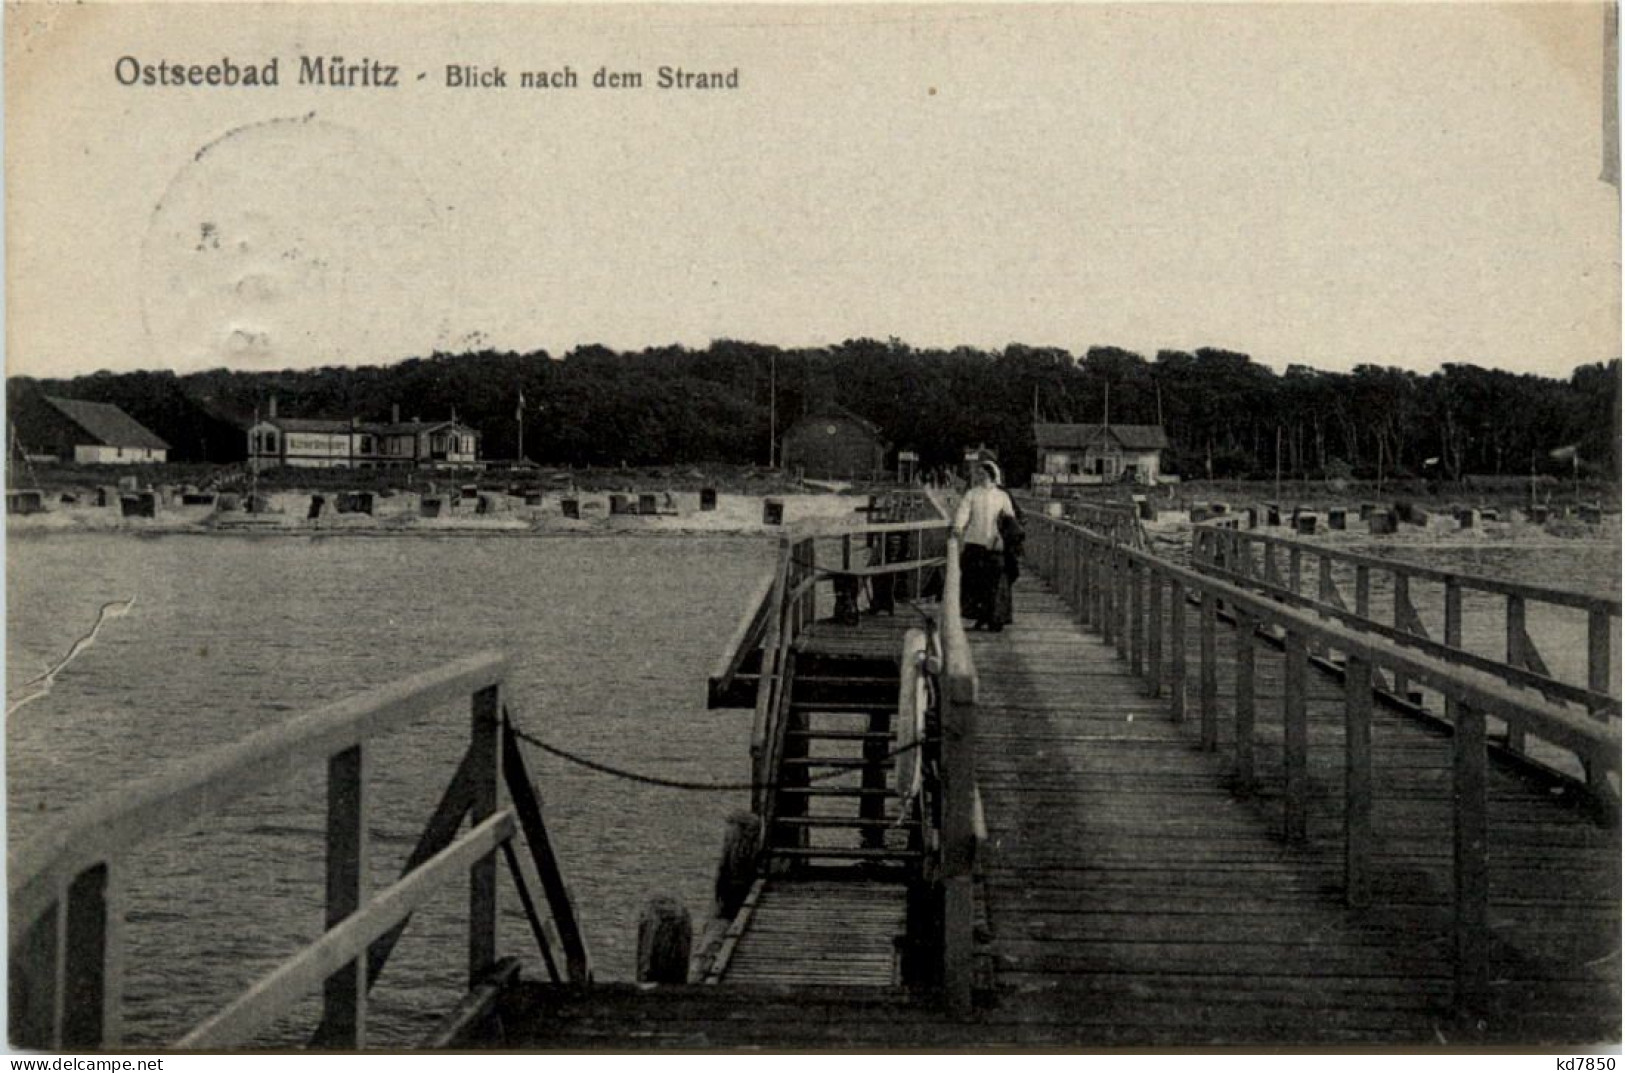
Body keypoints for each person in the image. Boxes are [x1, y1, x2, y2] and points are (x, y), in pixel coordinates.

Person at [953, 460, 1016, 631]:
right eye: (978, 474)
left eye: (983, 474)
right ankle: (979, 617)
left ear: (992, 475)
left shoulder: (1002, 496)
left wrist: (1003, 536)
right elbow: (963, 511)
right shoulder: (972, 494)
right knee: (975, 582)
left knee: (995, 583)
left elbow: (1010, 519)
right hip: (974, 542)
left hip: (995, 545)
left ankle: (995, 618)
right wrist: (958, 526)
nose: (980, 477)